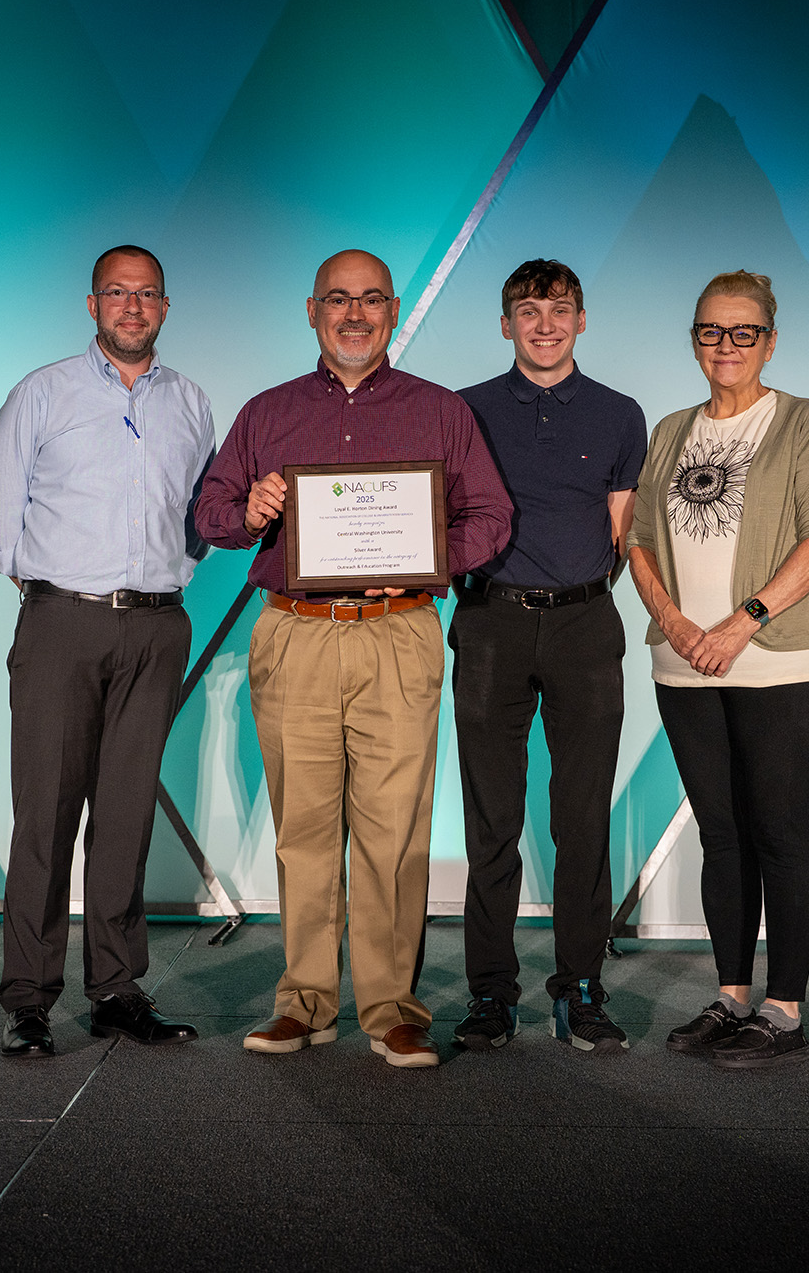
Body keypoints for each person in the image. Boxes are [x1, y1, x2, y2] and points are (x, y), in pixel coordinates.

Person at [194, 249, 511, 1069]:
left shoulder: (439, 411)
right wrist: (250, 506)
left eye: (371, 299)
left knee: (393, 829)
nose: (355, 313)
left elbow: (492, 516)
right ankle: (305, 1002)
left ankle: (392, 1006)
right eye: (338, 299)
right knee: (304, 827)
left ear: (394, 310)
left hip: (398, 628)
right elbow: (212, 512)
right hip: (294, 631)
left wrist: (422, 557)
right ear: (311, 311)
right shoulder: (266, 412)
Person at [0, 245, 215, 1057]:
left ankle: (116, 985)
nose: (132, 306)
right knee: (45, 810)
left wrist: (162, 585)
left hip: (157, 625)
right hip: (62, 623)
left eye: (147, 293)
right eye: (117, 292)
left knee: (125, 814)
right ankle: (28, 996)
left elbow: (198, 520)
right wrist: (59, 593)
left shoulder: (190, 402)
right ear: (92, 305)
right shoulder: (41, 393)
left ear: (165, 305)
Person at [627, 270, 809, 1067]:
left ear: (770, 340)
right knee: (721, 837)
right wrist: (676, 623)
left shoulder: (800, 422)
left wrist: (742, 621)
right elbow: (640, 539)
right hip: (685, 662)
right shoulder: (671, 428)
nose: (726, 347)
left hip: (779, 663)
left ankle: (784, 1011)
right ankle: (731, 995)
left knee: (781, 831)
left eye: (743, 332)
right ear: (694, 339)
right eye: (711, 332)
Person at [451, 259, 646, 1054]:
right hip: (490, 620)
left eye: (559, 309)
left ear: (582, 320)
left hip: (583, 626)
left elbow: (623, 531)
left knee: (581, 818)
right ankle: (493, 993)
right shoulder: (463, 410)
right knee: (491, 819)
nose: (544, 324)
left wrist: (577, 590)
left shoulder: (618, 413)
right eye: (527, 311)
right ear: (505, 324)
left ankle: (581, 986)